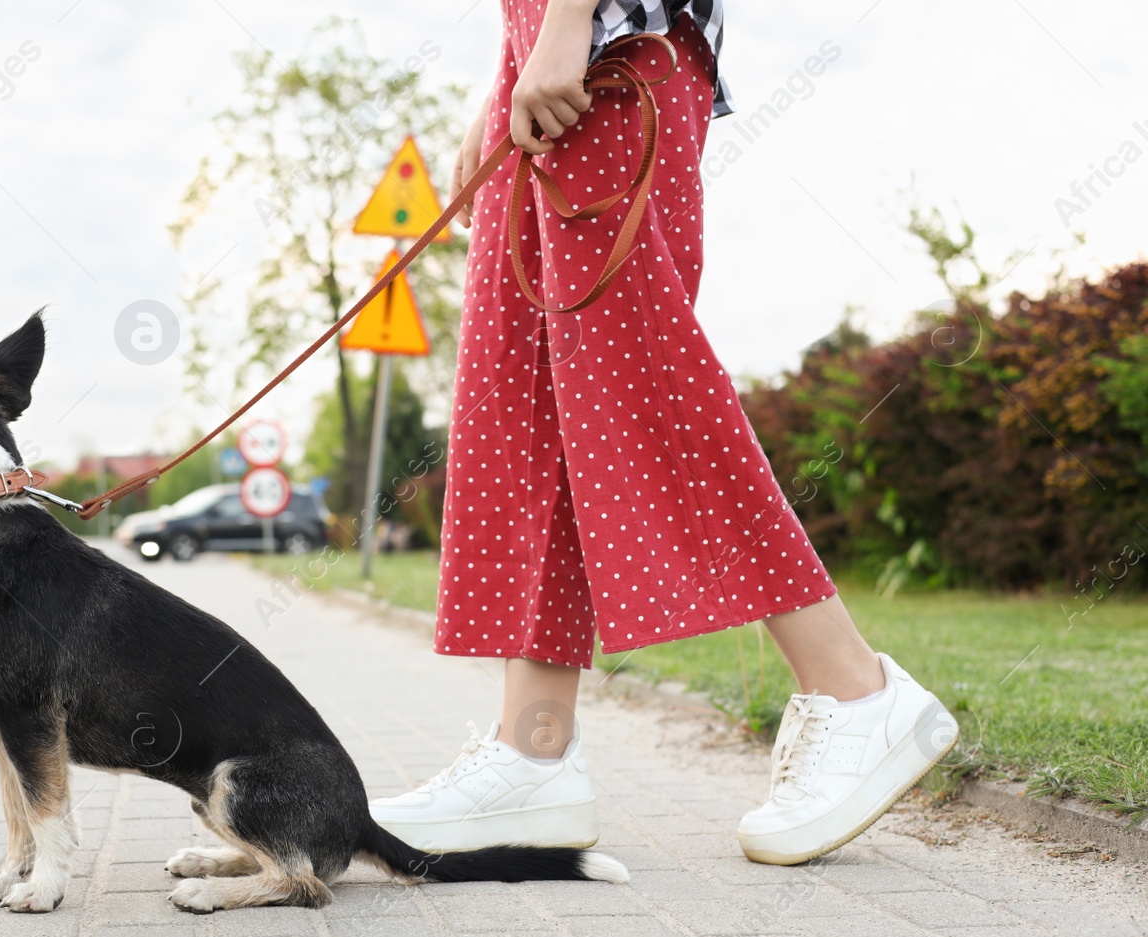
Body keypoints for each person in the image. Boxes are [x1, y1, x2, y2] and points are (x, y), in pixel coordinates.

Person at [369, 0, 958, 865]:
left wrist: (568, 22)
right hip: (548, 55)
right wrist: (506, 79)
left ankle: (855, 689)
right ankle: (532, 752)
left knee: (636, 377)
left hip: (614, 47)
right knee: (527, 401)